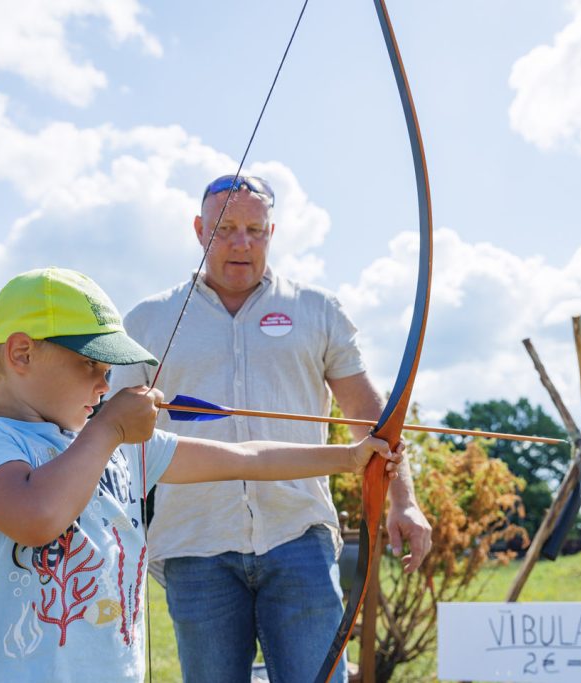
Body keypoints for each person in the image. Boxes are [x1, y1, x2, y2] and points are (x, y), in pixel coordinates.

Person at [0, 267, 401, 683]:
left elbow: (245, 459)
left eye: (107, 370)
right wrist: (109, 427)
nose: (104, 384)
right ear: (21, 354)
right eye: (89, 365)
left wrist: (348, 457)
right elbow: (37, 517)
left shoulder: (118, 447)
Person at [110, 174, 433, 682]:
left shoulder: (316, 310)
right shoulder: (149, 320)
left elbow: (370, 420)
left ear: (272, 232)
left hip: (298, 536)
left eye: (255, 230)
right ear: (199, 230)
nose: (242, 242)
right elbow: (111, 433)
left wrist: (404, 501)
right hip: (195, 544)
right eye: (226, 228)